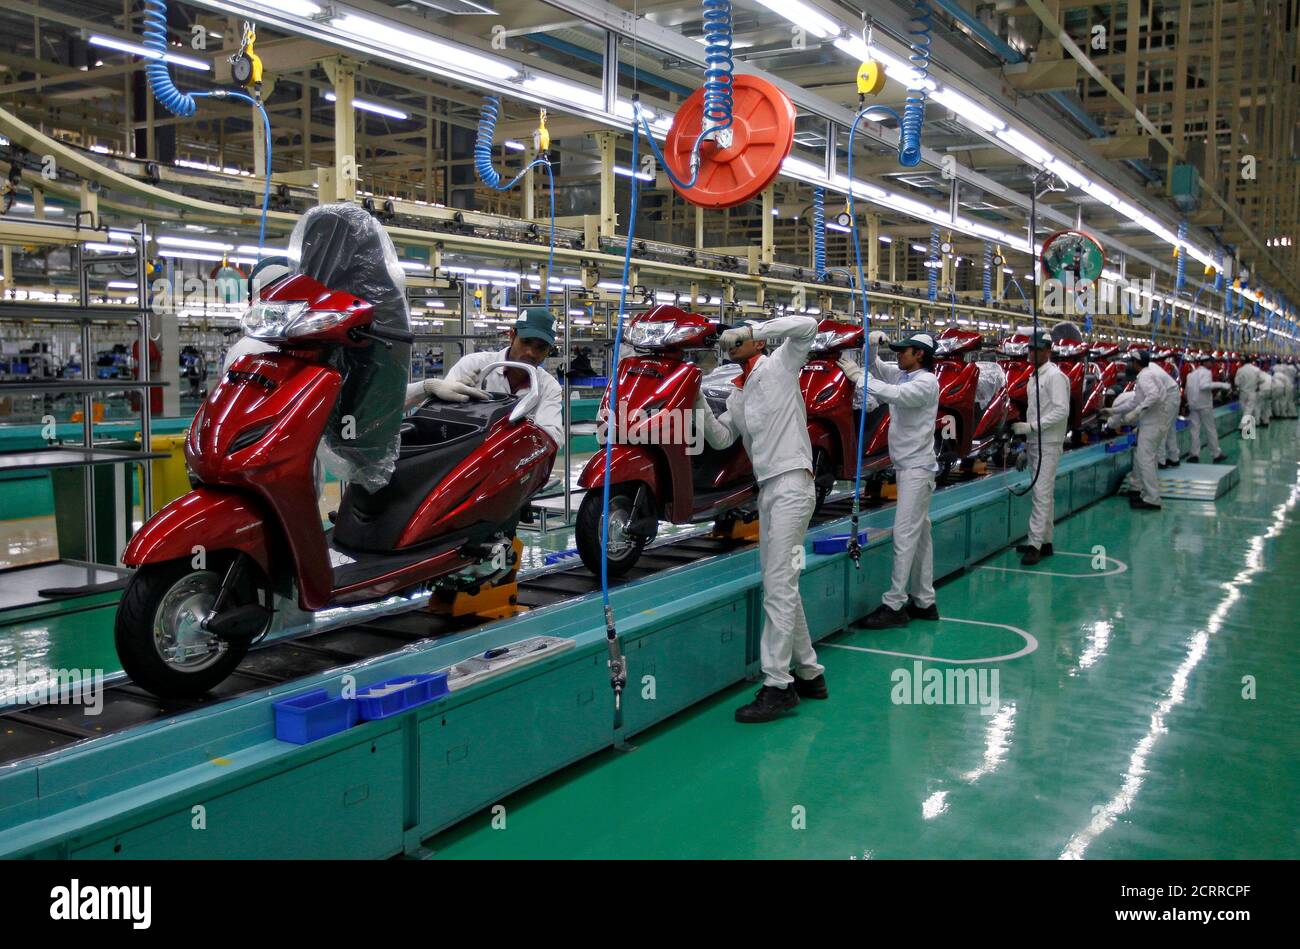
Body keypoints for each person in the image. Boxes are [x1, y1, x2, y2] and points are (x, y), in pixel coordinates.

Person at [694, 316, 827, 724]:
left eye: (738, 340)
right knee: (782, 581)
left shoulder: (781, 363)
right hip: (768, 489)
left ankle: (777, 685)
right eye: (728, 342)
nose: (732, 346)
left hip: (793, 483)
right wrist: (695, 392)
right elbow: (720, 438)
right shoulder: (737, 391)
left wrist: (756, 330)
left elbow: (808, 326)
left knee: (778, 586)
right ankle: (809, 673)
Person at [839, 331, 941, 628]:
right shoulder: (904, 374)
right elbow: (875, 367)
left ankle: (894, 604)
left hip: (917, 470)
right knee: (920, 536)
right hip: (909, 467)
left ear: (920, 354)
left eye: (903, 350)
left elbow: (890, 394)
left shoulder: (925, 383)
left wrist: (857, 376)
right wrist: (871, 344)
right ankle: (925, 601)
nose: (898, 354)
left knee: (905, 534)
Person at [405, 307, 564, 447]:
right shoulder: (473, 364)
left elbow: (552, 437)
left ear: (549, 350)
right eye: (526, 342)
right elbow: (436, 417)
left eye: (541, 347)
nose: (531, 352)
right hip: (463, 455)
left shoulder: (548, 386)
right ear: (512, 335)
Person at [1011, 331, 1070, 565]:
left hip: (1048, 442)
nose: (1032, 353)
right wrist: (1027, 445)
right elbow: (1036, 410)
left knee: (1041, 494)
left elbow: (1061, 410)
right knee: (1045, 495)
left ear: (1048, 351)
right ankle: (1045, 541)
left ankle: (1034, 545)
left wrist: (1031, 428)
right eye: (1030, 349)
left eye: (1037, 349)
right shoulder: (1035, 377)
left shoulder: (1054, 376)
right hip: (1037, 442)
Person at [1115, 349, 1179, 510]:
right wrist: (1113, 412)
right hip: (1155, 418)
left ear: (1135, 363)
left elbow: (1153, 396)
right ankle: (1144, 491)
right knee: (1147, 456)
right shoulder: (1147, 373)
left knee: (1146, 457)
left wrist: (1135, 413)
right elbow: (1136, 400)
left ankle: (1151, 497)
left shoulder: (1145, 376)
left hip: (1155, 419)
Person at [1185, 353, 1230, 463]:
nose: (1212, 364)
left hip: (1193, 405)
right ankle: (1216, 454)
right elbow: (1204, 386)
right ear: (1205, 363)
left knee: (1194, 431)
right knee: (1211, 429)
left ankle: (1194, 454)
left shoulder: (1190, 375)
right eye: (1210, 362)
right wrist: (1222, 385)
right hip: (1204, 405)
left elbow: (1186, 391)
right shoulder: (1206, 372)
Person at [1234, 357, 1263, 429]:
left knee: (1244, 409)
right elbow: (1262, 380)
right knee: (1249, 409)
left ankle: (1245, 424)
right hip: (1252, 392)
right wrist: (1256, 384)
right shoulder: (1256, 369)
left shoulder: (1240, 370)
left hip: (1242, 393)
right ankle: (1243, 426)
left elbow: (1236, 382)